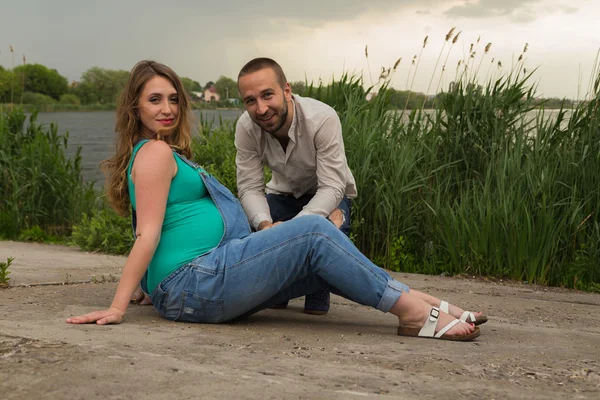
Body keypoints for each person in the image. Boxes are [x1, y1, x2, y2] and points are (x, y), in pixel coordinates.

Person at [66, 60, 486, 342]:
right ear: (134, 107)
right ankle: (415, 314)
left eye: (174, 99)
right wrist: (119, 304)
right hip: (195, 282)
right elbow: (148, 231)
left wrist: (147, 286)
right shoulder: (156, 152)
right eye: (155, 100)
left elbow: (157, 219)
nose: (168, 108)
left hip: (205, 277)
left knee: (326, 261)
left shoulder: (164, 152)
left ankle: (428, 303)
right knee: (316, 231)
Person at [235, 57, 356, 315]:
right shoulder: (246, 128)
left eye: (268, 95)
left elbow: (333, 186)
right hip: (281, 193)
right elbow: (249, 187)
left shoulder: (322, 118)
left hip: (328, 194)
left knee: (330, 235)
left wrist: (291, 230)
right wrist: (266, 227)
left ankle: (315, 290)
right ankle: (280, 289)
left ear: (286, 90)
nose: (261, 108)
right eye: (250, 100)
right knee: (252, 230)